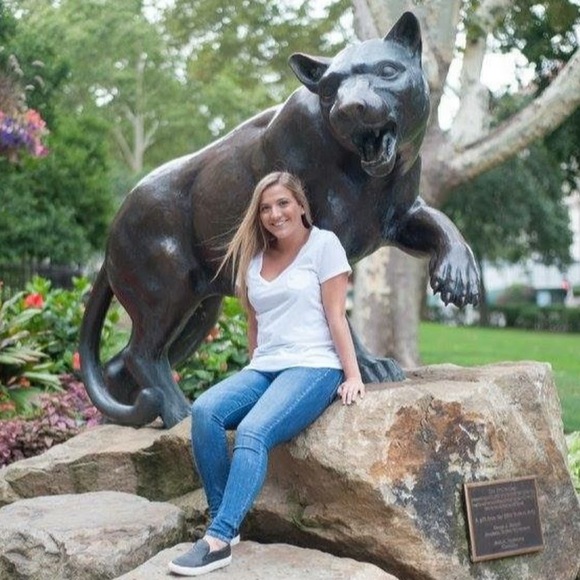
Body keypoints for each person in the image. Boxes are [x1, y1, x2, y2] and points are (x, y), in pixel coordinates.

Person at [168, 171, 365, 576]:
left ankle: (217, 539)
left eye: (283, 203)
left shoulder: (324, 246)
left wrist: (353, 375)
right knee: (205, 411)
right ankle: (225, 519)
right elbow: (255, 324)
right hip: (265, 367)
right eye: (266, 208)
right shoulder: (255, 258)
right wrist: (252, 372)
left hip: (313, 365)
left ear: (301, 205)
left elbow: (336, 316)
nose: (275, 214)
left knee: (253, 431)